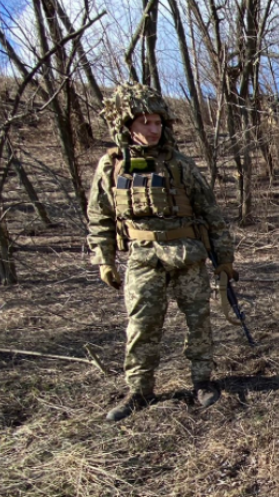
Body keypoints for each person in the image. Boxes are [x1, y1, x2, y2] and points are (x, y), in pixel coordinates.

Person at [87, 82, 237, 422]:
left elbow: (211, 213)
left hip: (187, 254)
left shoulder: (179, 164)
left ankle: (202, 381)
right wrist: (104, 259)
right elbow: (100, 216)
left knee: (198, 322)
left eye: (158, 123)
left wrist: (224, 259)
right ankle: (139, 390)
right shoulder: (111, 167)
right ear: (126, 126)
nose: (153, 130)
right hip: (142, 256)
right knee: (141, 324)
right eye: (145, 123)